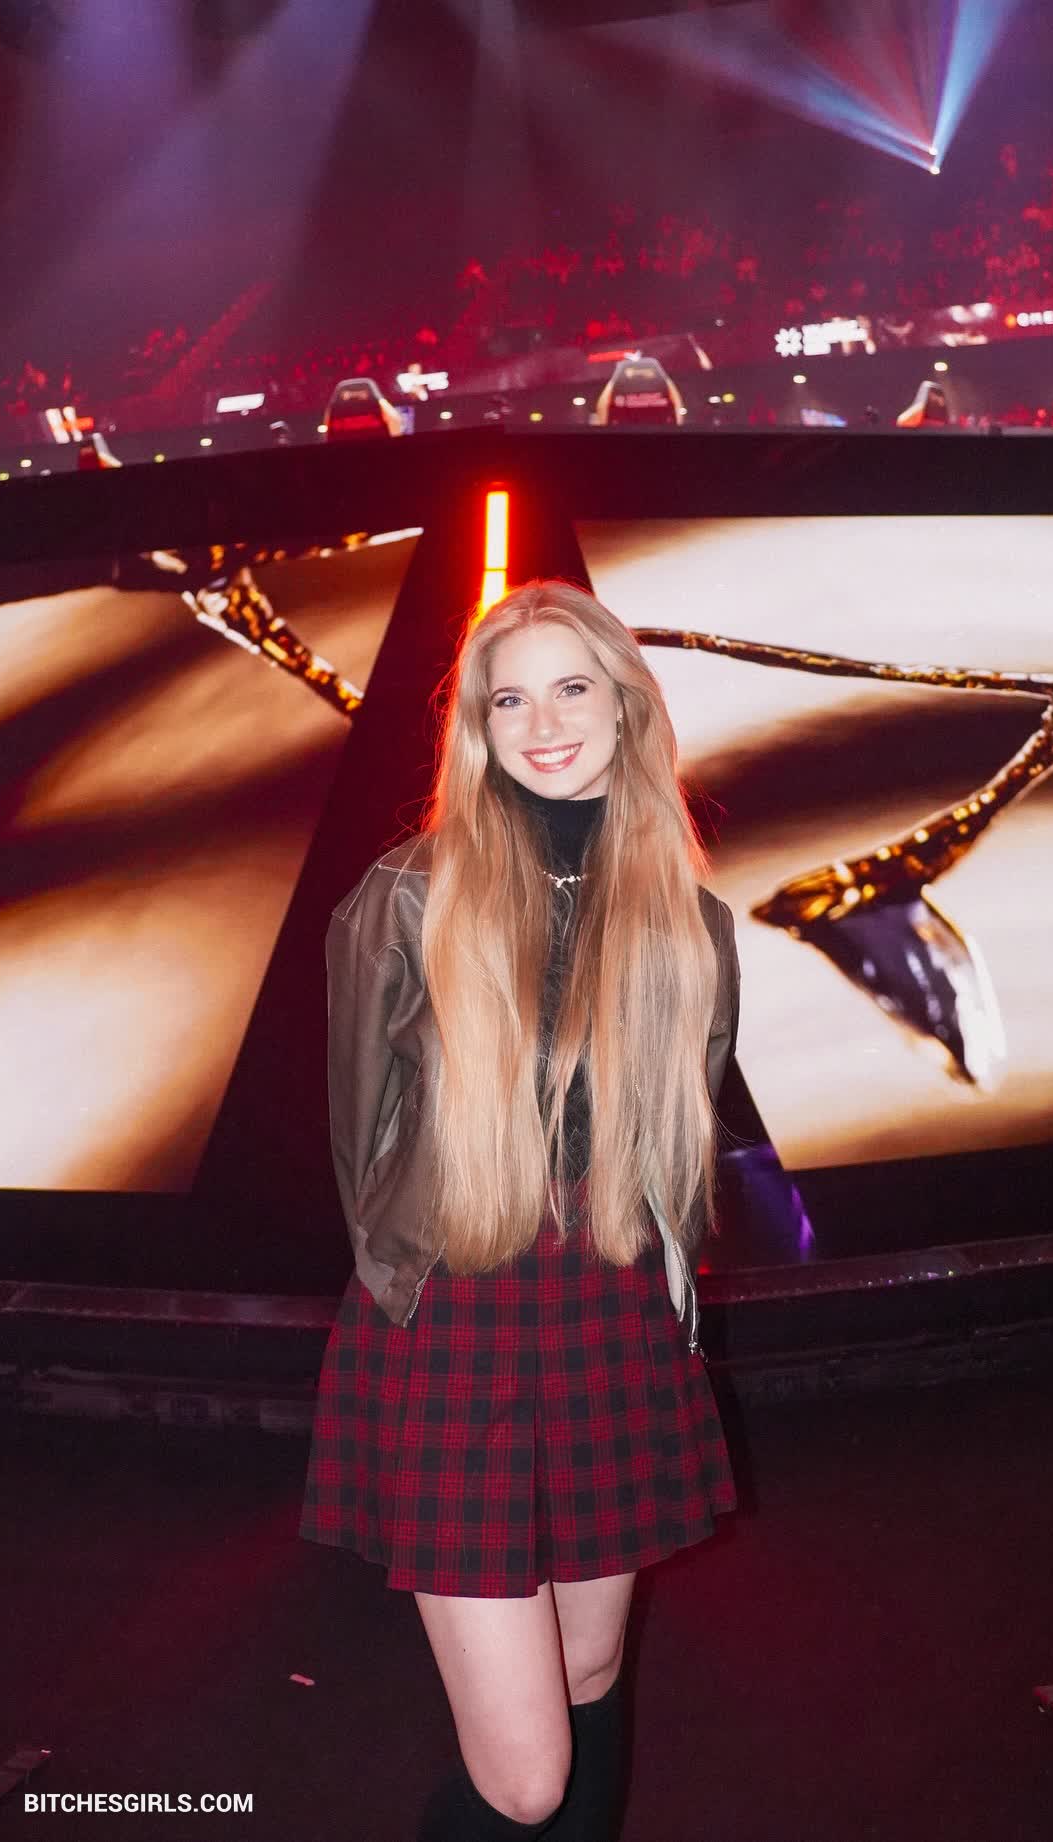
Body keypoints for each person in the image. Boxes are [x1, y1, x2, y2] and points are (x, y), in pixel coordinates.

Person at [299, 579, 741, 1840]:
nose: (543, 723)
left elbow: (681, 1145)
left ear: (626, 707)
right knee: (526, 1779)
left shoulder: (690, 922)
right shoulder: (406, 896)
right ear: (478, 730)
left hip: (613, 1318)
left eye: (572, 688)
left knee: (593, 1676)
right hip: (458, 1321)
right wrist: (410, 1285)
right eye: (509, 700)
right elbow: (361, 1142)